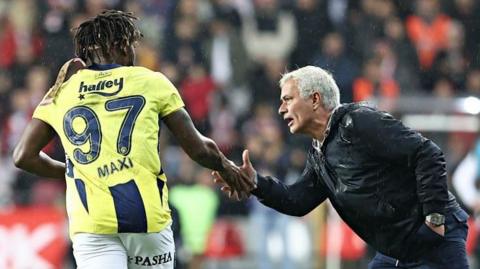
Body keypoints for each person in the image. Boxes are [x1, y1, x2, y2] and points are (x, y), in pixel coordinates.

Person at [12, 10, 252, 269]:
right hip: (146, 220)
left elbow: (23, 156)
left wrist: (77, 172)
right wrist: (227, 168)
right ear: (123, 47)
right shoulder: (151, 81)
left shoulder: (62, 91)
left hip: (93, 224)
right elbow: (198, 149)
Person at [213, 65, 469, 268]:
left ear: (314, 99)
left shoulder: (359, 122)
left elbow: (429, 154)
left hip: (434, 239)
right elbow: (296, 200)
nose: (281, 109)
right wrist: (255, 183)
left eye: (287, 99)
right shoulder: (318, 152)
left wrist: (434, 219)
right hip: (397, 249)